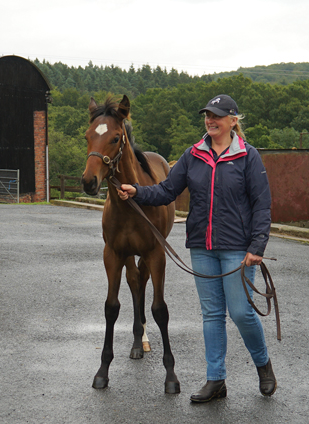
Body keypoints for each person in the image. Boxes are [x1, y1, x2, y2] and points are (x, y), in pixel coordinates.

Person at [117, 94, 276, 402]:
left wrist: (257, 246)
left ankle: (263, 365)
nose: (210, 119)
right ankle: (216, 380)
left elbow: (262, 205)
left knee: (241, 312)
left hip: (237, 249)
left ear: (233, 120)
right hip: (202, 248)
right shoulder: (193, 155)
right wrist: (137, 191)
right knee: (212, 314)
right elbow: (166, 191)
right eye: (207, 115)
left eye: (217, 115)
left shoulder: (248, 156)